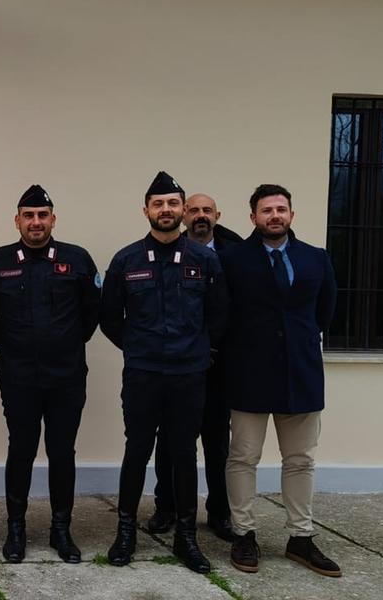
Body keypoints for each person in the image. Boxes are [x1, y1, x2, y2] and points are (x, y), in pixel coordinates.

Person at [100, 171, 227, 574]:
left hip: (189, 374)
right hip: (143, 372)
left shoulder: (205, 259)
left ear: (183, 210)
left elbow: (219, 315)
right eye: (159, 204)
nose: (166, 210)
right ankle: (125, 532)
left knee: (184, 453)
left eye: (173, 203)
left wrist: (202, 352)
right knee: (136, 450)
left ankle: (185, 536)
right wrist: (139, 348)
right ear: (146, 211)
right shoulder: (126, 260)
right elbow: (109, 318)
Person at [221, 184, 341, 578]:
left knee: (301, 460)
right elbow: (223, 313)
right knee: (243, 457)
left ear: (291, 214)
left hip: (301, 373)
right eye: (266, 210)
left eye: (281, 209)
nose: (275, 215)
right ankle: (244, 533)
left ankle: (301, 537)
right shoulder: (232, 259)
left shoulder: (315, 259)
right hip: (249, 372)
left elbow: (324, 312)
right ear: (253, 216)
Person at [0, 185, 100, 563]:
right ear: (16, 220)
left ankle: (60, 530)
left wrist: (60, 345)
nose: (36, 222)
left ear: (53, 219)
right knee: (21, 450)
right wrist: (14, 349)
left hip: (65, 375)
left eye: (42, 215)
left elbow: (91, 315)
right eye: (28, 216)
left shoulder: (77, 259)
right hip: (18, 376)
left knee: (62, 452)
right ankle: (16, 529)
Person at [146, 193, 242, 541]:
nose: (200, 216)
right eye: (194, 210)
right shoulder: (165, 250)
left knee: (217, 443)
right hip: (175, 366)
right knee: (170, 441)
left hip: (216, 366)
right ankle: (166, 507)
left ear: (218, 215)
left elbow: (231, 310)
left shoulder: (235, 252)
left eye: (207, 210)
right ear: (184, 215)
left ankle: (220, 512)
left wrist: (211, 347)